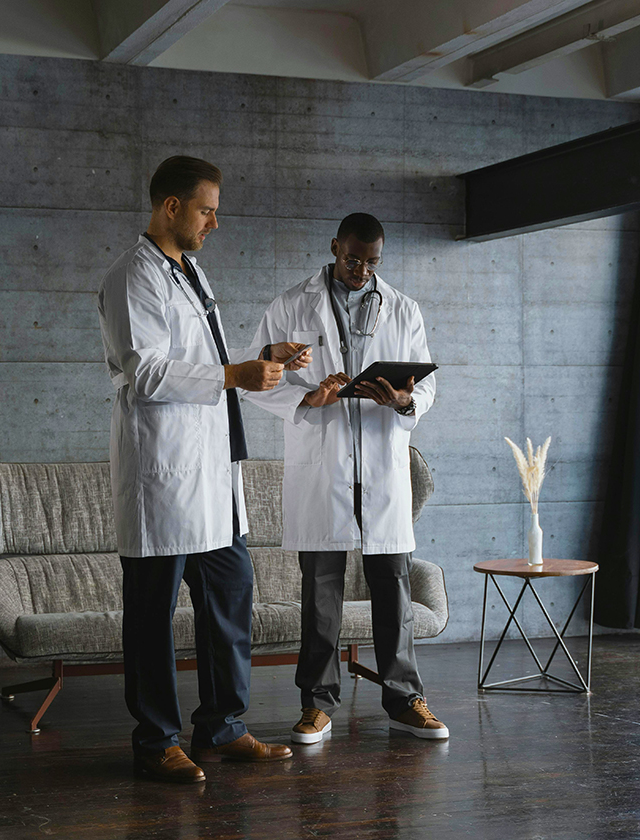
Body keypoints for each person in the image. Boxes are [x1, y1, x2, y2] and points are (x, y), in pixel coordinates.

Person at [97, 156, 311, 783]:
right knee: (152, 616)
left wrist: (259, 359)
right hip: (162, 476)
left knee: (230, 592)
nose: (215, 221)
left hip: (211, 474)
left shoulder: (188, 270)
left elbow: (202, 359)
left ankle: (222, 725)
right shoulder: (133, 277)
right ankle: (155, 739)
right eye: (206, 208)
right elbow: (147, 371)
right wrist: (230, 375)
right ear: (171, 207)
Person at [245, 212, 448, 743]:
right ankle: (316, 704)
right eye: (353, 258)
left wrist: (405, 399)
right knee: (321, 591)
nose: (361, 270)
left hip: (382, 463)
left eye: (372, 261)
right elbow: (253, 379)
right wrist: (307, 396)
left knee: (394, 586)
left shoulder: (404, 309)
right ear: (335, 246)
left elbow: (426, 387)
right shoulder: (291, 305)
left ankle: (405, 699)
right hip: (325, 463)